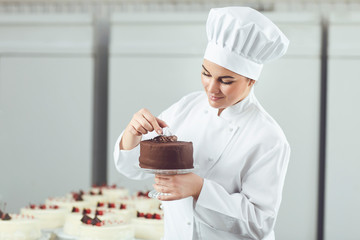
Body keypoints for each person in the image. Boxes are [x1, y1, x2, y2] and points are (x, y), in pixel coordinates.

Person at [114, 6, 290, 240]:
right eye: (206, 74)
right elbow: (133, 168)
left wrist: (199, 189)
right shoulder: (188, 107)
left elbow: (260, 223)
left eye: (225, 80)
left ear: (251, 80)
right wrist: (133, 134)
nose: (212, 88)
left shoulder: (268, 138)